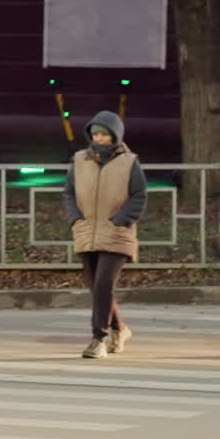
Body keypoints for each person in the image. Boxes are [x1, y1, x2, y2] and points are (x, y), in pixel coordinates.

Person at [62, 110, 148, 360]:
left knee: (103, 284)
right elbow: (68, 192)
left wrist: (121, 220)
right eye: (95, 134)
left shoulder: (129, 162)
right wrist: (75, 217)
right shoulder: (79, 160)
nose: (98, 139)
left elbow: (139, 195)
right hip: (87, 230)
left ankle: (98, 339)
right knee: (95, 286)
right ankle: (120, 329)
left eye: (104, 134)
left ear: (115, 136)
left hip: (117, 233)